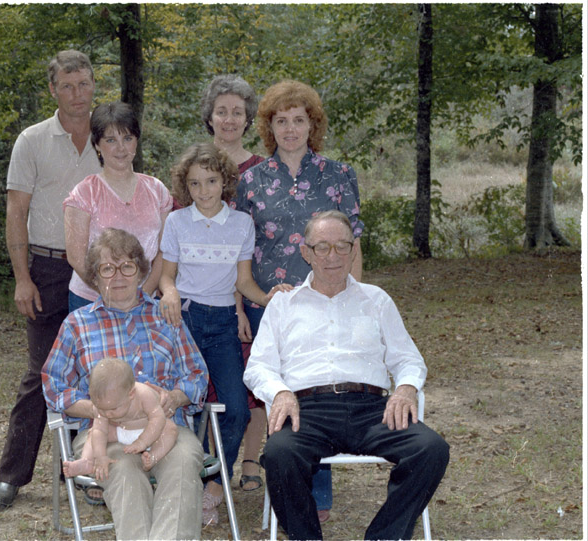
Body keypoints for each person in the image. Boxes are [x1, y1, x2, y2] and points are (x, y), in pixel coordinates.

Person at [244, 210, 449, 540]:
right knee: (280, 454)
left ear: (354, 250)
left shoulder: (376, 299)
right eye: (322, 247)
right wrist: (280, 392)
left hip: (371, 410)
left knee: (430, 448)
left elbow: (409, 359)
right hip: (306, 411)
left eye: (342, 246)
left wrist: (407, 388)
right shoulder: (283, 305)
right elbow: (258, 367)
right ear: (306, 252)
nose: (333, 256)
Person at [234, 78, 368, 521]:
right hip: (269, 305)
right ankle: (289, 491)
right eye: (281, 120)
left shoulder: (338, 175)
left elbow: (352, 245)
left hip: (326, 301)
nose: (290, 128)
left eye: (299, 119)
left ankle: (317, 497)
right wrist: (242, 305)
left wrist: (354, 299)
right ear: (269, 126)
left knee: (319, 388)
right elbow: (239, 252)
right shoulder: (249, 181)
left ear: (313, 124)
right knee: (280, 393)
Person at [42, 228, 208, 539]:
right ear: (95, 276)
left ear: (141, 271)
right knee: (124, 470)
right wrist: (98, 410)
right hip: (105, 435)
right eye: (107, 268)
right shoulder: (77, 324)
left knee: (184, 462)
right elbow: (52, 386)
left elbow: (197, 375)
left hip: (166, 429)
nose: (118, 276)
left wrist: (173, 398)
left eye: (127, 266)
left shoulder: (165, 317)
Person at [159, 142, 291, 525]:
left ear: (225, 181)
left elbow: (244, 282)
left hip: (220, 325)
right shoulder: (177, 222)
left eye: (211, 181)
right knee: (180, 406)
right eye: (195, 183)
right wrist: (168, 291)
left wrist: (268, 299)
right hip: (181, 322)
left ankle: (214, 483)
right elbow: (168, 275)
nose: (203, 191)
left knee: (235, 409)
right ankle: (176, 484)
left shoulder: (240, 224)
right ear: (186, 186)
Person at [0, 50, 100, 509]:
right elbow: (16, 211)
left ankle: (83, 470)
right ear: (53, 90)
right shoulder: (32, 140)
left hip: (99, 270)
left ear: (95, 86)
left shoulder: (109, 136)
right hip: (47, 267)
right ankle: (13, 475)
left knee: (96, 372)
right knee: (42, 372)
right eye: (67, 86)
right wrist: (22, 278)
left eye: (84, 84)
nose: (77, 95)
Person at [200, 74, 267, 493]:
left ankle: (252, 460)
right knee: (211, 383)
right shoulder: (196, 166)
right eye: (221, 111)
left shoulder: (262, 170)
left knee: (255, 376)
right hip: (208, 296)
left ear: (248, 119)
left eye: (237, 112)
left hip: (254, 286)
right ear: (209, 117)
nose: (228, 119)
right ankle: (212, 467)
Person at [64, 101, 171, 312]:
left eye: (128, 138)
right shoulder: (84, 193)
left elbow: (164, 252)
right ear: (96, 144)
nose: (121, 148)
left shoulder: (157, 190)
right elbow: (76, 257)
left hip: (145, 299)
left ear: (136, 141)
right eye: (111, 140)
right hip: (92, 299)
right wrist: (112, 294)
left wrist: (143, 294)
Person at [62, 357, 178, 479]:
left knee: (170, 429)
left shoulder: (144, 395)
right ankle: (86, 461)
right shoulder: (104, 405)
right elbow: (100, 431)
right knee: (94, 433)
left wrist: (142, 442)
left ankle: (153, 457)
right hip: (121, 432)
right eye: (101, 409)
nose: (107, 414)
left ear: (131, 394)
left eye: (113, 409)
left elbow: (157, 419)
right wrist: (101, 457)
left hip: (151, 433)